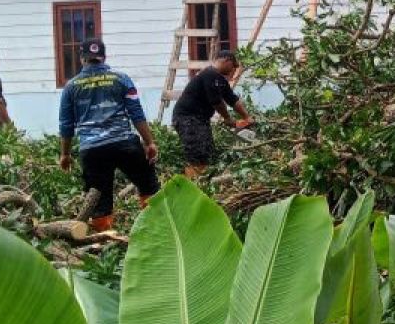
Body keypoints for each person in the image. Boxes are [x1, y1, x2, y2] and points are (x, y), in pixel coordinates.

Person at [58, 38, 159, 232]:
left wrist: (65, 154)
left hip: (92, 149)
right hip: (125, 144)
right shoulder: (121, 79)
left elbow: (66, 124)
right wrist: (149, 142)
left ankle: (105, 242)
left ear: (82, 59)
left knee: (99, 199)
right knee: (149, 186)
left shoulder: (71, 86)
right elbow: (136, 113)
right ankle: (156, 229)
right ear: (103, 57)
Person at [171, 50, 252, 179]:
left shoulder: (220, 80)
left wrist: (247, 117)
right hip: (188, 119)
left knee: (207, 152)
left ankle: (202, 182)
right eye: (233, 66)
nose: (233, 70)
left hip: (201, 120)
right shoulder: (209, 74)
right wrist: (228, 118)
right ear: (226, 60)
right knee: (197, 153)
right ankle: (194, 184)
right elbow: (216, 102)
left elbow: (233, 100)